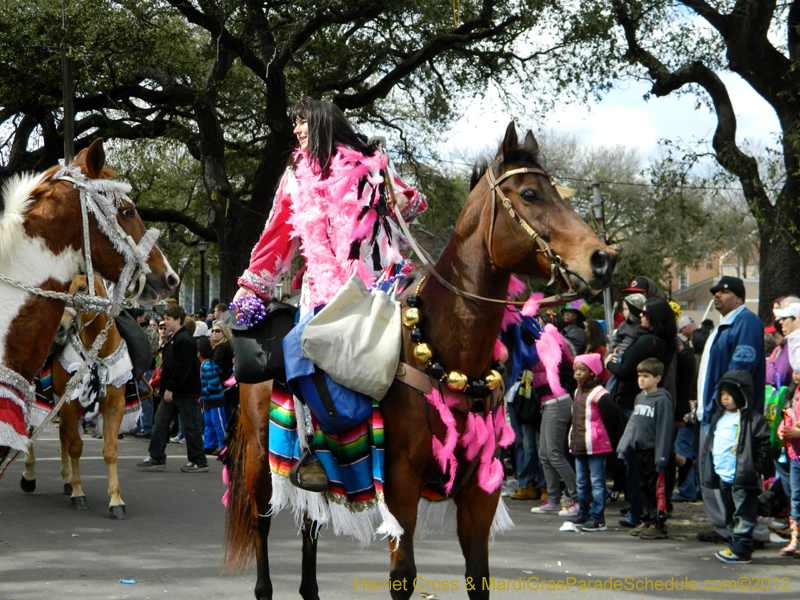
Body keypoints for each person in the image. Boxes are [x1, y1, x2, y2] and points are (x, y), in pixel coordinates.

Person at [232, 97, 426, 489]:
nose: (297, 131)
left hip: (381, 289)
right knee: (299, 352)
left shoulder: (371, 164)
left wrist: (404, 199)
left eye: (302, 123)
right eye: (295, 125)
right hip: (322, 295)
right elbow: (276, 239)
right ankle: (314, 451)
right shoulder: (293, 179)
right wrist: (251, 287)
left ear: (323, 123)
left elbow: (415, 202)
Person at [696, 276, 766, 544]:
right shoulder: (722, 326)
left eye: (724, 292)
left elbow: (739, 373)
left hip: (731, 417)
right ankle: (724, 528)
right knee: (713, 476)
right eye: (715, 292)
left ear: (739, 298)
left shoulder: (745, 322)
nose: (717, 296)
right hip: (713, 414)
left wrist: (723, 406)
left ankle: (749, 533)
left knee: (734, 479)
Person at [607, 297, 676, 528]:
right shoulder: (668, 342)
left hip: (631, 403)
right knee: (642, 467)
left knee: (633, 463)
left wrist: (610, 362)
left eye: (645, 313)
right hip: (641, 402)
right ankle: (645, 513)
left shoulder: (647, 341)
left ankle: (639, 514)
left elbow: (626, 369)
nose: (640, 316)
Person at [701, 370, 774, 563]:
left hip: (743, 476)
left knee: (744, 513)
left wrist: (756, 468)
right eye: (722, 393)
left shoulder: (752, 419)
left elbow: (763, 445)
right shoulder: (720, 417)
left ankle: (742, 550)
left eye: (730, 394)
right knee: (730, 513)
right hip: (724, 475)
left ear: (742, 395)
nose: (725, 398)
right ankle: (735, 544)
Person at [136, 305, 208, 473]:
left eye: (168, 319)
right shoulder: (174, 339)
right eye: (164, 318)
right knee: (161, 422)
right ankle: (157, 456)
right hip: (174, 390)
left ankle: (199, 460)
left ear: (178, 320)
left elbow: (182, 368)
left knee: (191, 425)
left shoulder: (184, 340)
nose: (164, 322)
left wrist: (171, 388)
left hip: (184, 391)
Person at [617, 358, 673, 539]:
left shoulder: (662, 400)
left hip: (655, 453)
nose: (641, 380)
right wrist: (624, 446)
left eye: (646, 376)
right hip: (639, 451)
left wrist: (661, 456)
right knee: (642, 487)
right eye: (639, 376)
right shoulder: (639, 398)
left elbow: (664, 428)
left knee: (656, 489)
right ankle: (647, 520)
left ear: (657, 378)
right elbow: (633, 424)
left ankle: (658, 523)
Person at [569, 354, 619, 531]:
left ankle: (598, 517)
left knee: (597, 482)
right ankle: (584, 513)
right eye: (576, 369)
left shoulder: (600, 393)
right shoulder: (578, 392)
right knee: (581, 481)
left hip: (595, 444)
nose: (578, 373)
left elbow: (612, 415)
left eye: (582, 370)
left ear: (593, 371)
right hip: (579, 444)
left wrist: (604, 436)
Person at [777, 370, 800, 556]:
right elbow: (788, 417)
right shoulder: (792, 393)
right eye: (794, 370)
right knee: (795, 496)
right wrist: (782, 429)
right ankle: (795, 539)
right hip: (794, 454)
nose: (795, 374)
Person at [197, 337, 227, 455]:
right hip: (208, 400)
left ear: (199, 353)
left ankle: (223, 444)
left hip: (215, 400)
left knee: (218, 423)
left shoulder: (207, 366)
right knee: (209, 423)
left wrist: (201, 391)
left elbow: (213, 385)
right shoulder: (205, 365)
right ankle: (209, 445)